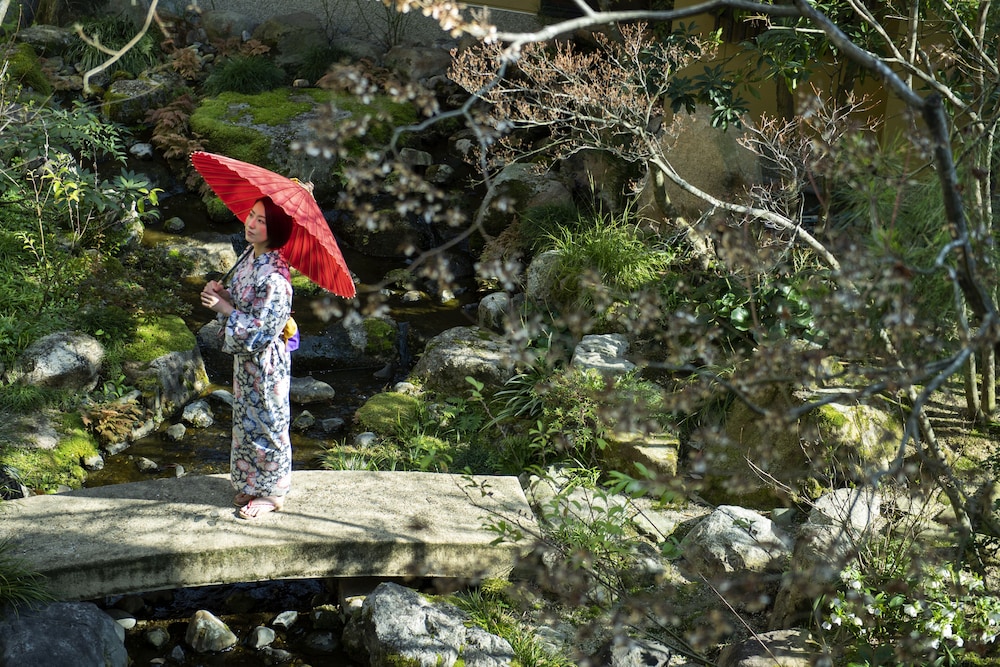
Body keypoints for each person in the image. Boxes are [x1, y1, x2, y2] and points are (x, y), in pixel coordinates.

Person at [200, 196, 294, 519]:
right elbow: (242, 302)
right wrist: (224, 294)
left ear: (276, 229)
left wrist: (224, 309)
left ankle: (274, 492)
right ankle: (253, 484)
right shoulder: (249, 256)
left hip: (266, 363)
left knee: (268, 423)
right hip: (247, 364)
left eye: (262, 221)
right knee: (246, 422)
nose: (251, 224)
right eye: (251, 215)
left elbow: (260, 331)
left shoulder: (276, 278)